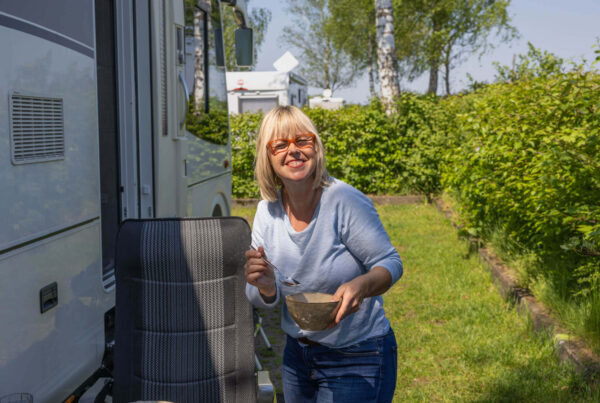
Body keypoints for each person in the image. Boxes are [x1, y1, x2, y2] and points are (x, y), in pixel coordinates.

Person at [244, 105, 403, 403]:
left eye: (302, 141)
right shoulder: (267, 211)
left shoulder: (343, 200)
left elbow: (390, 263)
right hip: (297, 354)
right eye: (280, 145)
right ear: (268, 157)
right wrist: (264, 286)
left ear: (315, 146)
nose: (293, 151)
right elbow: (259, 298)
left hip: (358, 353)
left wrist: (362, 286)